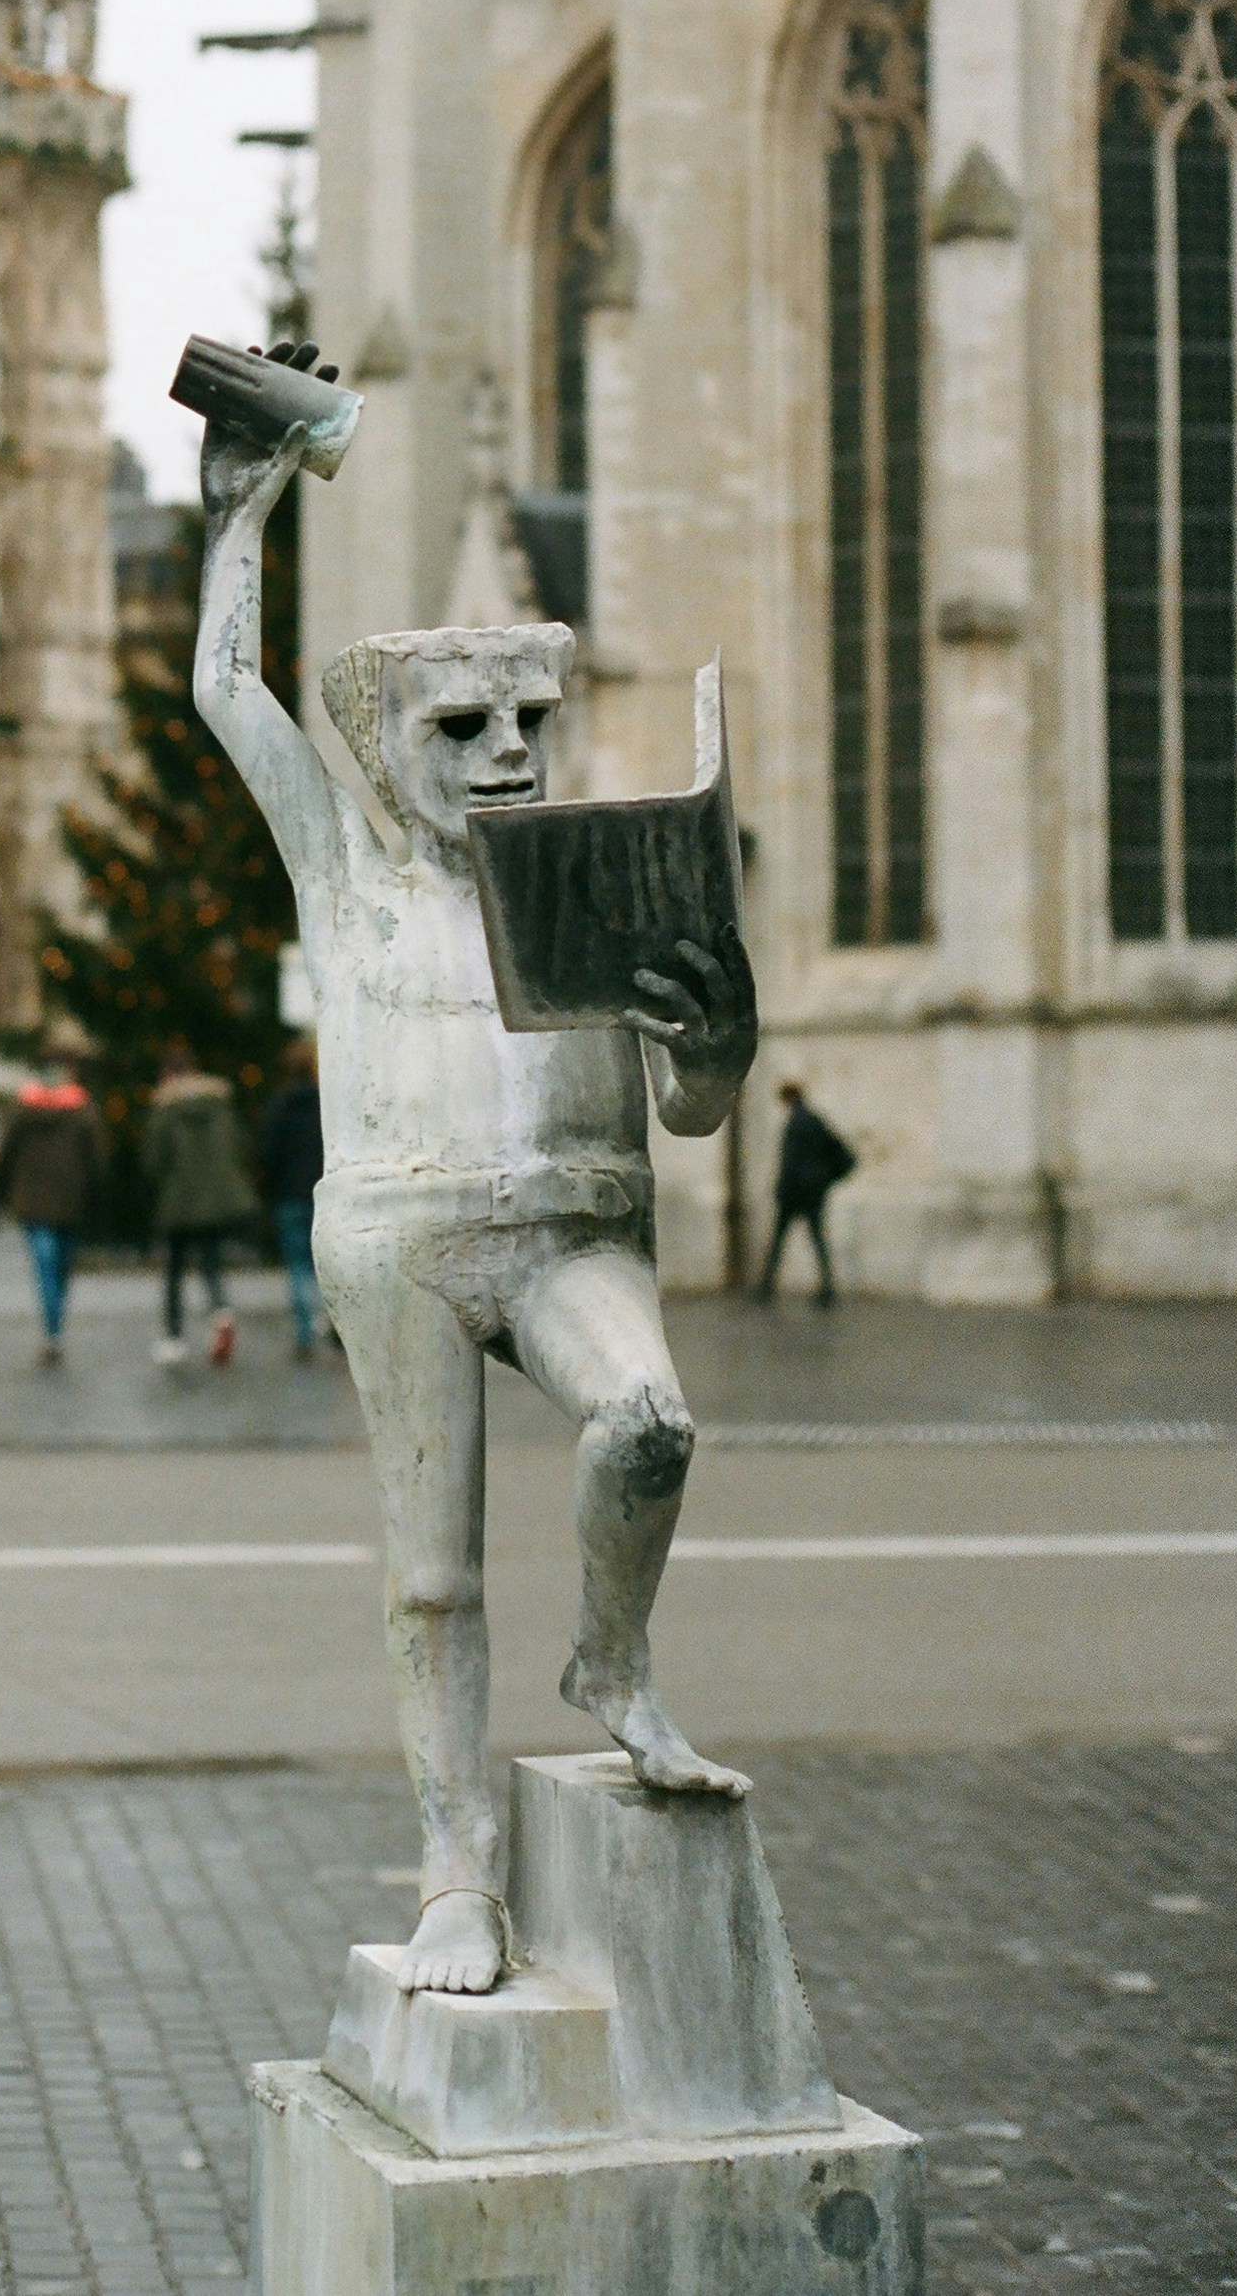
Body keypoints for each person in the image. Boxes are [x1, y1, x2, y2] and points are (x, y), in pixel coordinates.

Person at [193, 342, 757, 1995]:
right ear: (384, 745)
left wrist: (716, 1045)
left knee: (646, 1421)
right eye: (461, 724)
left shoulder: (593, 882)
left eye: (527, 717)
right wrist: (241, 516)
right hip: (403, 1240)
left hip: (574, 1229)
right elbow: (229, 695)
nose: (506, 748)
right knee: (433, 1574)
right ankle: (457, 1870)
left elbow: (689, 1114)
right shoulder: (344, 873)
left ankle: (612, 1661)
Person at [141, 1042, 254, 1368]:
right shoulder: (218, 1104)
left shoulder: (164, 1109)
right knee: (211, 1261)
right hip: (215, 1200)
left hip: (178, 1201)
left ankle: (174, 1337)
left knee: (174, 1271)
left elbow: (154, 1160)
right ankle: (221, 1311)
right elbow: (237, 1144)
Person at [0, 1061, 107, 1364]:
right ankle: (55, 1326)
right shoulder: (82, 1111)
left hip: (32, 1199)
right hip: (71, 1197)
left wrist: (4, 1191)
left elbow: (5, 1156)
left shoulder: (21, 1111)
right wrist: (95, 1194)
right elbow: (97, 1159)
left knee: (45, 1264)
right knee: (61, 1266)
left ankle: (52, 1330)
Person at [756, 1081, 857, 1308]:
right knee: (816, 1239)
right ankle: (826, 1288)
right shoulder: (813, 1120)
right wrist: (824, 1181)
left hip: (794, 1193)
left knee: (779, 1240)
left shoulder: (796, 1123)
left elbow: (790, 1162)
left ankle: (766, 1287)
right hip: (812, 1193)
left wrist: (781, 1188)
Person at [258, 1035, 324, 1358]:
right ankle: (335, 1325)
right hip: (322, 1193)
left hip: (290, 1196)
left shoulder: (279, 1107)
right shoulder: (324, 1106)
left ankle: (304, 1332)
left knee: (297, 1266)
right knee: (325, 1263)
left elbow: (268, 1154)